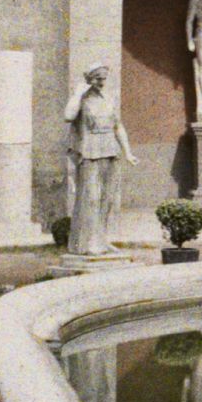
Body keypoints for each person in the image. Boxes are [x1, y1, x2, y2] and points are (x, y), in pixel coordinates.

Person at [64, 62, 138, 256]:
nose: (102, 82)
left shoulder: (109, 97)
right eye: (98, 78)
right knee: (91, 198)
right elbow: (68, 116)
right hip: (90, 150)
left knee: (107, 198)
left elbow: (118, 126)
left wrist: (128, 152)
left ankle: (101, 240)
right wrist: (77, 94)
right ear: (89, 79)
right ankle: (85, 243)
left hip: (110, 149)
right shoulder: (81, 99)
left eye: (104, 78)